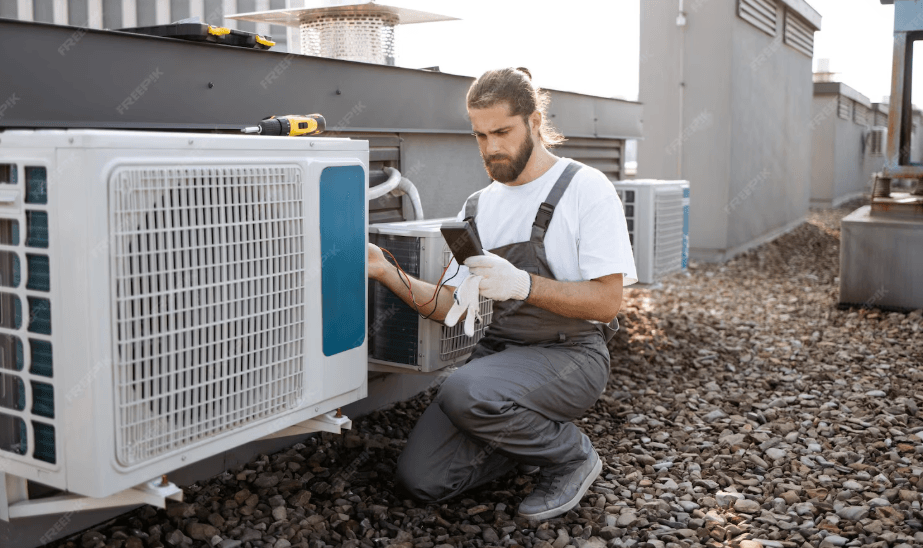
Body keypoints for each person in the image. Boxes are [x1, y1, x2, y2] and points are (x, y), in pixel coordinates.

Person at [366, 67, 637, 520]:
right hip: (499, 361)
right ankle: (518, 437)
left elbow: (608, 302)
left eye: (502, 132)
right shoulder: (476, 208)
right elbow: (449, 307)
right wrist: (385, 269)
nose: (491, 147)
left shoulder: (585, 188)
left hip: (571, 354)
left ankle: (571, 456)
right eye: (480, 136)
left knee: (464, 388)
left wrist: (523, 285)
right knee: (423, 480)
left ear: (533, 122)